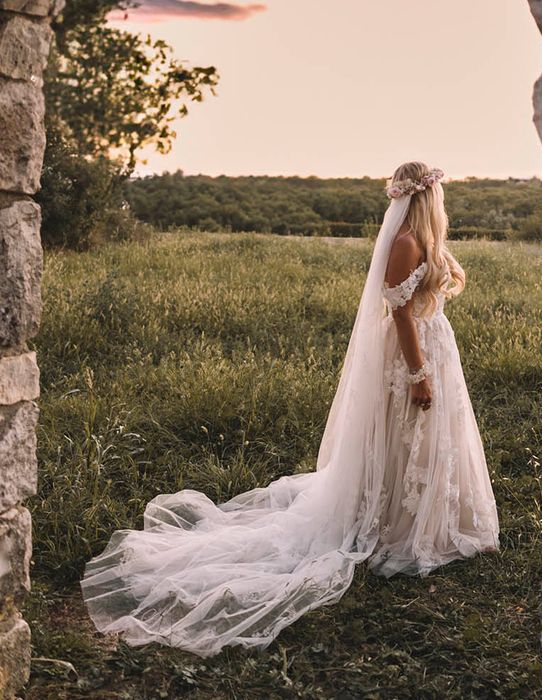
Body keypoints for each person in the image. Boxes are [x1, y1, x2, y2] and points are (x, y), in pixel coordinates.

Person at [81, 161, 500, 657]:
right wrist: (418, 374)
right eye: (438, 194)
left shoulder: (423, 240)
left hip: (435, 345)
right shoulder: (406, 243)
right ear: (426, 196)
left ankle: (427, 516)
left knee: (429, 438)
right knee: (407, 431)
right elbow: (401, 313)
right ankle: (393, 522)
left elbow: (434, 287)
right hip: (414, 353)